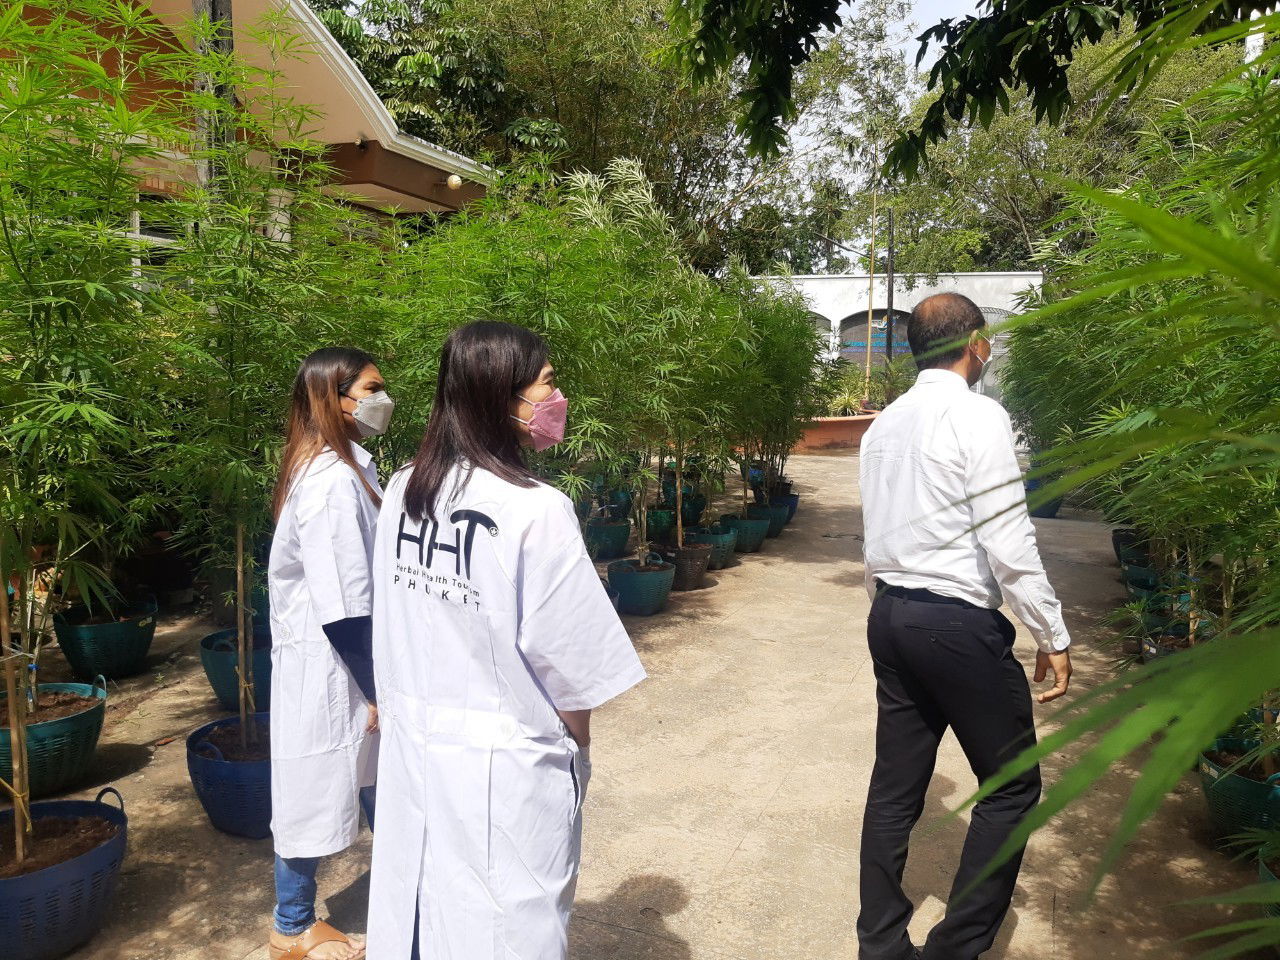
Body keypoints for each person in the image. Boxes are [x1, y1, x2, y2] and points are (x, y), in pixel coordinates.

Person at [365, 321, 647, 960]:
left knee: (425, 909)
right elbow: (570, 663)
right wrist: (576, 749)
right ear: (502, 397)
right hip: (507, 761)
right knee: (506, 926)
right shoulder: (535, 509)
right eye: (547, 384)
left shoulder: (405, 488)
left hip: (420, 746)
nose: (557, 399)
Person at [857, 293, 1073, 960]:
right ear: (976, 343)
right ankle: (954, 950)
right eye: (987, 341)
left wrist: (885, 608)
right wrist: (1051, 631)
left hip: (892, 614)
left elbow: (874, 532)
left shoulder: (883, 424)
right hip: (954, 624)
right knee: (1012, 786)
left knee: (895, 789)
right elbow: (1008, 540)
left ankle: (880, 945)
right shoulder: (978, 416)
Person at [267, 347, 396, 960]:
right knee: (314, 789)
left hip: (344, 658)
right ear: (333, 398)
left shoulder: (346, 468)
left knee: (379, 780)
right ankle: (292, 925)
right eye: (371, 389)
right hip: (333, 662)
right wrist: (376, 688)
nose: (382, 400)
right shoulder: (329, 482)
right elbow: (345, 603)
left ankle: (410, 885)